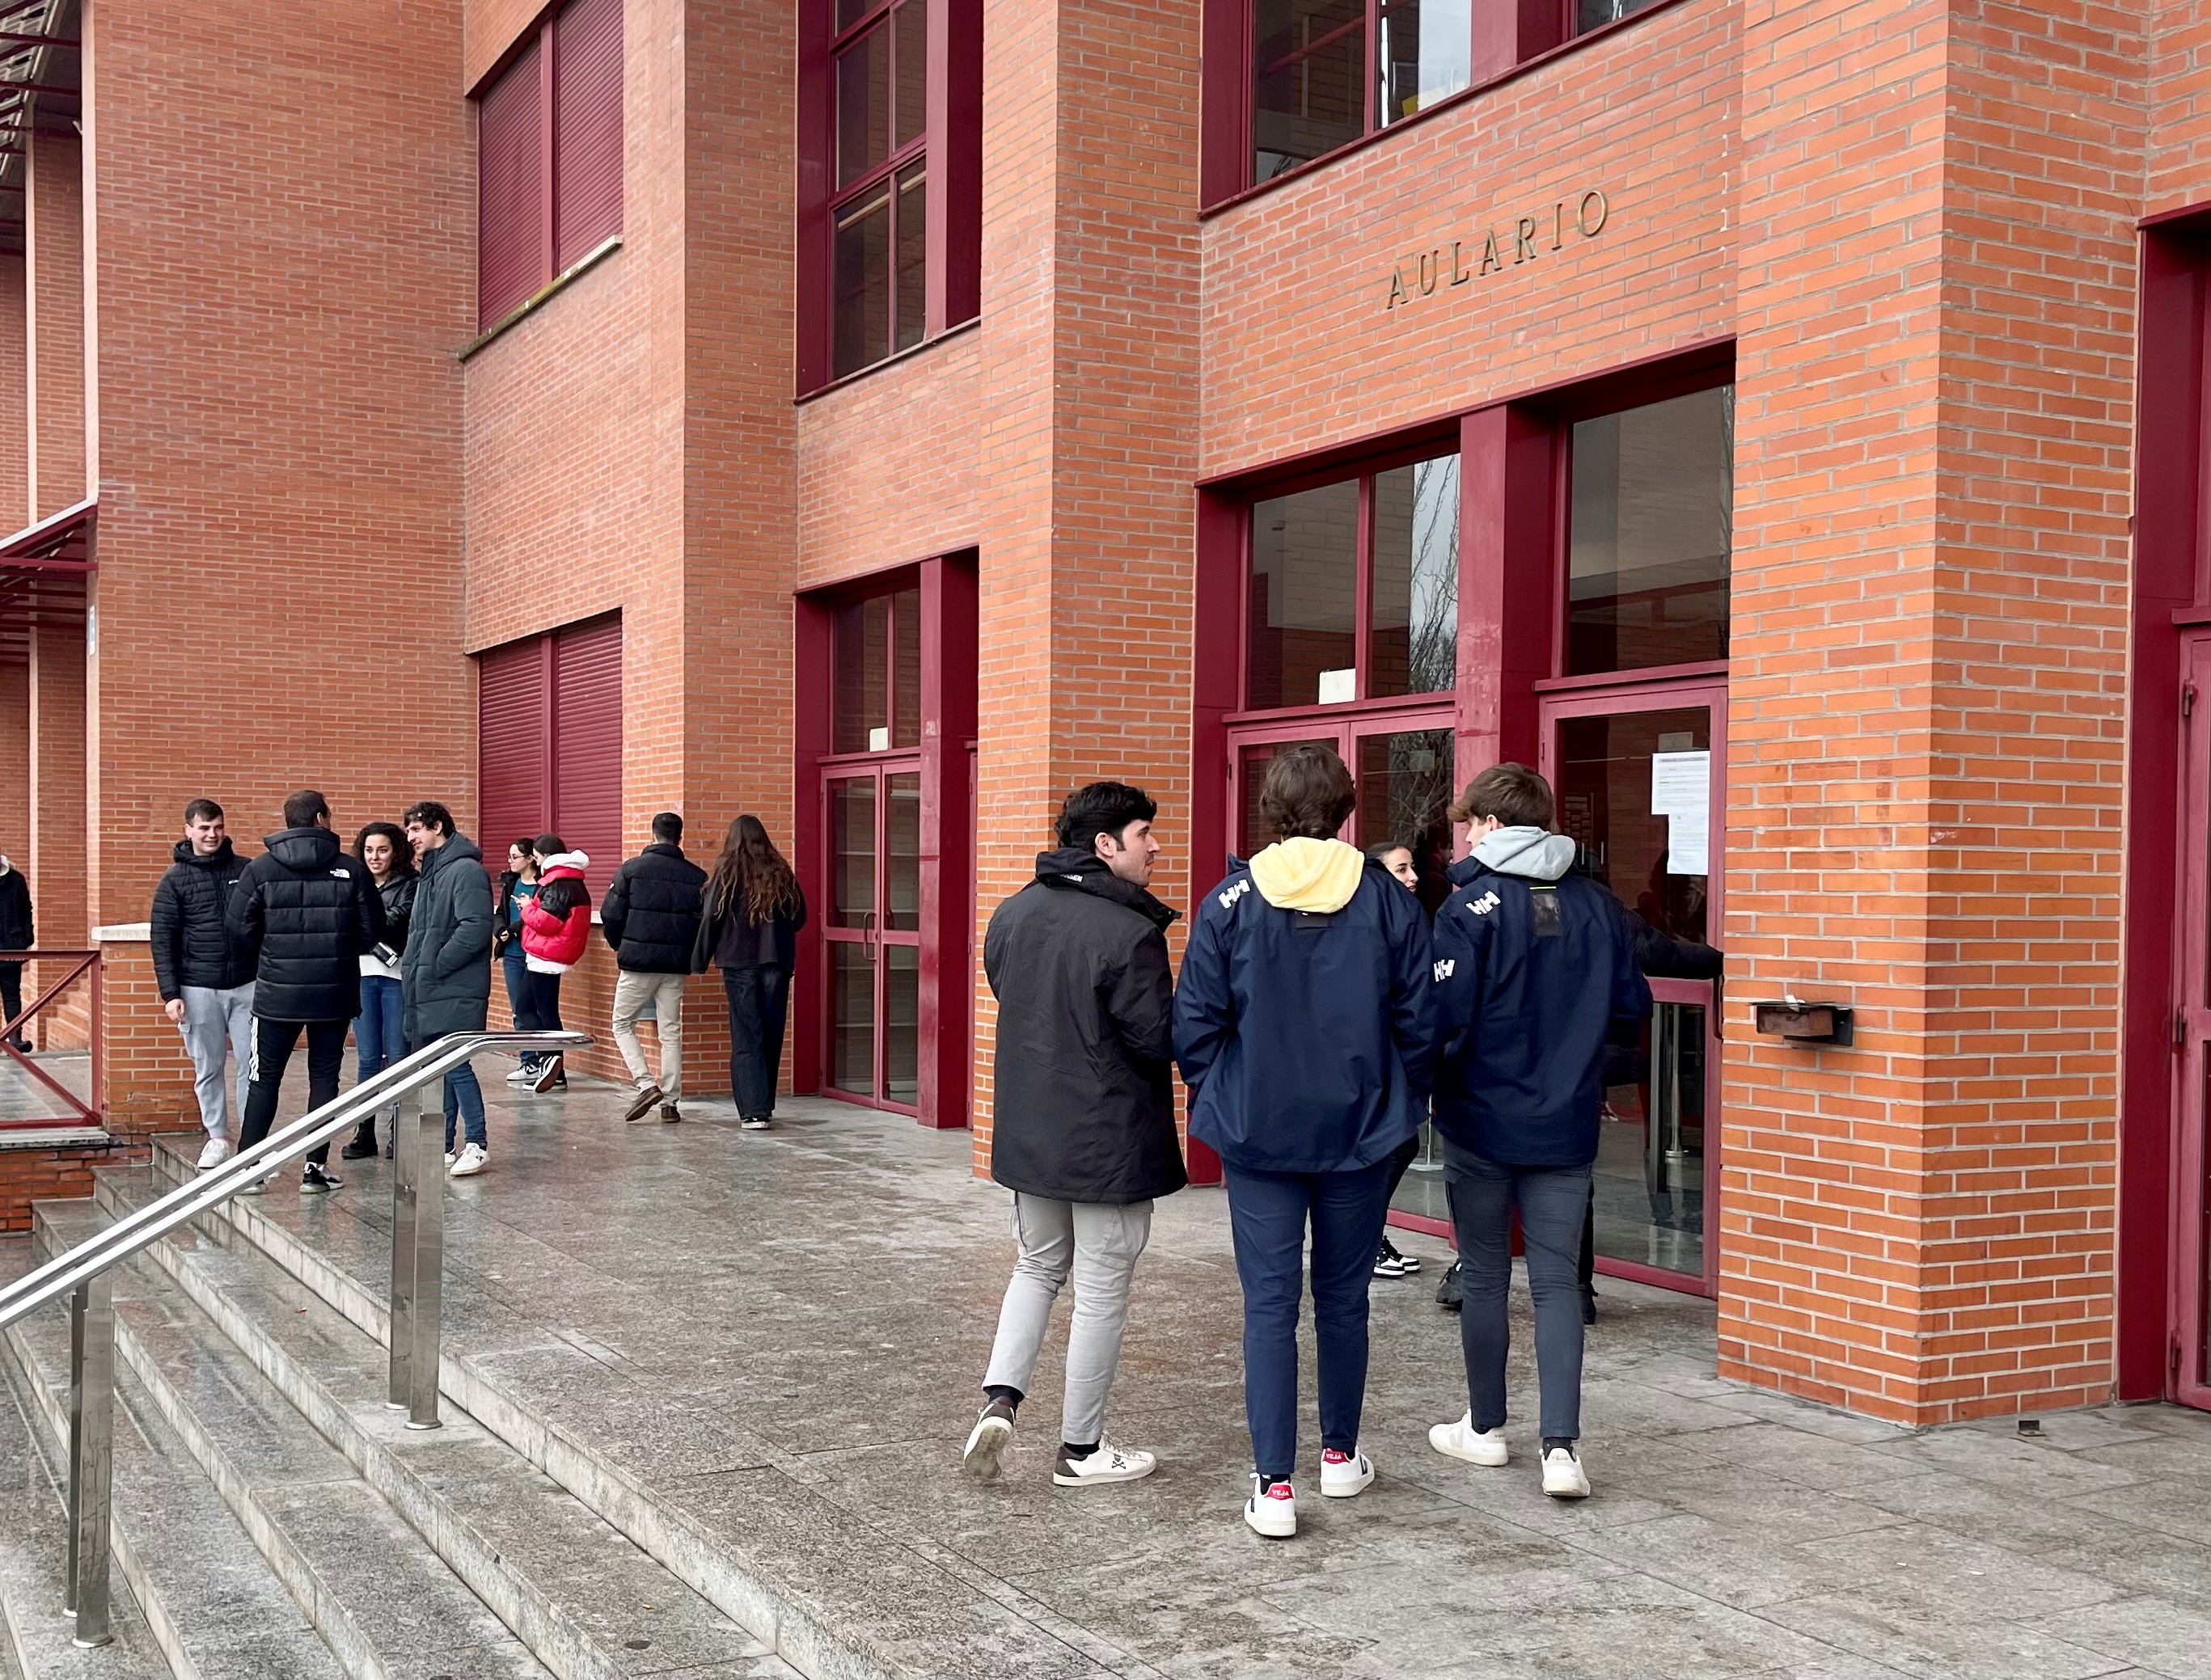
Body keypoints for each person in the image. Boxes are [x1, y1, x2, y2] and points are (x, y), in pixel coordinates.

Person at [1174, 745, 1436, 1539]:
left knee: (1269, 1302)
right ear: (1346, 809)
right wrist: (1397, 1099)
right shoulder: (1387, 902)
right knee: (1343, 1297)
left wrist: (1228, 1092)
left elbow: (1193, 1027)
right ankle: (1338, 1454)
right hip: (1362, 1130)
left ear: (1269, 808)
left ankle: (1274, 1485)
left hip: (1258, 1132)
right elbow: (1420, 1023)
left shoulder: (1229, 902)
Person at [1425, 762, 1649, 1501]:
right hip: (1567, 1123)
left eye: (1469, 822)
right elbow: (1631, 1008)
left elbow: (1443, 1018)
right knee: (1556, 1284)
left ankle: (1485, 1430)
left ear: (1491, 824)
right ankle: (1562, 1451)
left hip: (1481, 1123)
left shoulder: (1469, 907)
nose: (1466, 833)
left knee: (1486, 1276)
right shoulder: (1596, 904)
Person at [960, 782, 1184, 1490]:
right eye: (1144, 833)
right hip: (1107, 1142)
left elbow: (1014, 998)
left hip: (1032, 1134)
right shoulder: (1129, 933)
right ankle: (1082, 1452)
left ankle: (1001, 1400)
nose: (1156, 847)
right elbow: (1155, 1039)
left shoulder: (1014, 912)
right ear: (1105, 845)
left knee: (1035, 1267)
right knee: (1100, 1292)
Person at [226, 790, 384, 1194]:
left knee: (264, 1081)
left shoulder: (260, 870)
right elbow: (372, 932)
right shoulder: (351, 870)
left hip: (276, 996)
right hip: (334, 994)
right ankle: (315, 1169)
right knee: (324, 1079)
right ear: (320, 818)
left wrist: (273, 951)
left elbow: (238, 929)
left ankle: (249, 1170)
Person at [149, 799, 253, 1168]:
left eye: (218, 827)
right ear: (188, 830)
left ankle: (253, 1140)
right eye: (204, 828)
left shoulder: (248, 870)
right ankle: (217, 1138)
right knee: (208, 1067)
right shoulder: (173, 880)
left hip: (248, 986)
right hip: (197, 989)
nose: (212, 835)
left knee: (252, 1065)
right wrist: (170, 994)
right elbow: (163, 940)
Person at [400, 801, 496, 1178]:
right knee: (440, 1066)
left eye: (416, 829)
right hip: (431, 983)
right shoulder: (431, 873)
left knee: (456, 1064)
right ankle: (443, 1145)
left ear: (437, 826)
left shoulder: (465, 871)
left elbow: (474, 927)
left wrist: (436, 965)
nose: (411, 837)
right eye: (408, 831)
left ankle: (477, 1143)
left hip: (452, 983)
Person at [692, 817, 805, 1130]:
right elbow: (800, 917)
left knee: (746, 1035)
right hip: (776, 964)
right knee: (770, 1033)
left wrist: (699, 959)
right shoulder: (781, 873)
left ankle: (753, 1112)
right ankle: (764, 1104)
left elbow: (710, 918)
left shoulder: (727, 873)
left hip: (739, 964)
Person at [602, 813, 707, 1124]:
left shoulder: (631, 870)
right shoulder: (698, 876)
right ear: (679, 837)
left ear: (653, 835)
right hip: (675, 967)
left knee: (622, 1024)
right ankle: (671, 1103)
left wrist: (621, 945)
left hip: (637, 965)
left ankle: (646, 1084)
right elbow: (702, 924)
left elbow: (611, 915)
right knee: (670, 1032)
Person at [1363, 839, 1426, 1281]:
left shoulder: (1410, 919)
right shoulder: (1373, 922)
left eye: (1412, 867)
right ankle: (1365, 1239)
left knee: (1402, 1144)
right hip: (1378, 1062)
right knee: (1395, 1145)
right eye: (1402, 869)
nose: (1413, 876)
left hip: (1399, 1059)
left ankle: (1368, 1235)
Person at [340, 821, 416, 1161]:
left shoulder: (411, 884)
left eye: (382, 849)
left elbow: (396, 921)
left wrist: (360, 922)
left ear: (396, 851)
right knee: (368, 1058)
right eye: (369, 850)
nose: (375, 857)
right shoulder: (353, 881)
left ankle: (400, 1131)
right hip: (360, 976)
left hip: (396, 976)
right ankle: (364, 1131)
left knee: (398, 1055)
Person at [518, 835, 590, 1092]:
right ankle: (551, 1065)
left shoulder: (560, 882)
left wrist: (527, 907)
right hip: (544, 955)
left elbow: (548, 922)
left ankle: (553, 1067)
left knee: (543, 1012)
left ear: (546, 856)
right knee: (528, 1008)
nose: (535, 862)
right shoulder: (567, 879)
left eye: (536, 857)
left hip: (547, 956)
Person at [494, 839, 544, 1083]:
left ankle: (547, 1062)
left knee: (537, 1009)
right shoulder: (511, 883)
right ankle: (528, 1062)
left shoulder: (543, 886)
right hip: (513, 954)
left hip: (535, 955)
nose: (510, 861)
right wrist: (501, 929)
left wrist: (514, 929)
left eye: (515, 856)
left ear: (530, 858)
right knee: (518, 1011)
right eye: (509, 856)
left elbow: (539, 916)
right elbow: (501, 912)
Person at [0, 847, 27, 1053]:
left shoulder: (16, 879)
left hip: (11, 945)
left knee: (12, 994)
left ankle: (15, 1039)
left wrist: (26, 938)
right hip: (11, 943)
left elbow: (26, 909)